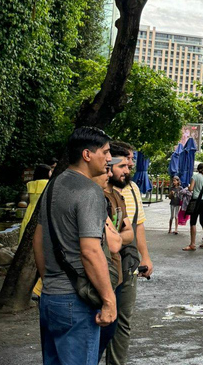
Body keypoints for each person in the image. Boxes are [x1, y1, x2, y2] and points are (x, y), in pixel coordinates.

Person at [33, 127, 116, 365]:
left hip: (51, 298)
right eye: (106, 151)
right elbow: (90, 251)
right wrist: (109, 300)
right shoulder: (89, 191)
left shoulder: (53, 186)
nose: (109, 158)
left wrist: (49, 279)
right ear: (88, 155)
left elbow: (37, 239)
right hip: (76, 303)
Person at [104, 141, 153, 365]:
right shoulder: (99, 189)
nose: (129, 167)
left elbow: (138, 225)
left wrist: (146, 257)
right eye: (124, 162)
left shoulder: (132, 189)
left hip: (128, 262)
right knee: (99, 317)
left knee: (123, 320)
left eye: (131, 162)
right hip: (102, 262)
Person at [97, 160, 134, 360]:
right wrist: (119, 237)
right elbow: (113, 243)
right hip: (103, 275)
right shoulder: (97, 198)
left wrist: (117, 237)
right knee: (99, 336)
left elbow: (130, 234)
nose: (127, 171)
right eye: (123, 165)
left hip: (116, 273)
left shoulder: (118, 196)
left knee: (112, 331)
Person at [21, 164, 52, 242]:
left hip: (31, 210)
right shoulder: (49, 183)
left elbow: (28, 199)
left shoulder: (30, 184)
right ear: (47, 173)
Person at [184, 163, 203, 251]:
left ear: (198, 169)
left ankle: (192, 244)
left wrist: (188, 187)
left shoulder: (195, 177)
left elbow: (191, 188)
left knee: (193, 222)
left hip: (196, 200)